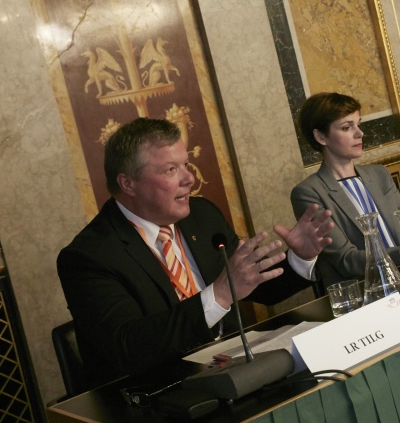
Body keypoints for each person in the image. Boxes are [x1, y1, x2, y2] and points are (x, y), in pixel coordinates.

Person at [57, 118, 334, 387]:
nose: (189, 178)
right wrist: (220, 295)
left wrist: (300, 257)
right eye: (170, 170)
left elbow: (259, 288)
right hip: (158, 393)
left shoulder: (202, 215)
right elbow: (128, 347)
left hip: (237, 374)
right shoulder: (89, 257)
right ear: (128, 184)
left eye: (186, 165)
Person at [290, 92, 400, 290]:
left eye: (358, 124)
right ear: (320, 136)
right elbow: (347, 261)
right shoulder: (309, 192)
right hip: (368, 293)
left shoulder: (378, 174)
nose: (359, 133)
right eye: (346, 127)